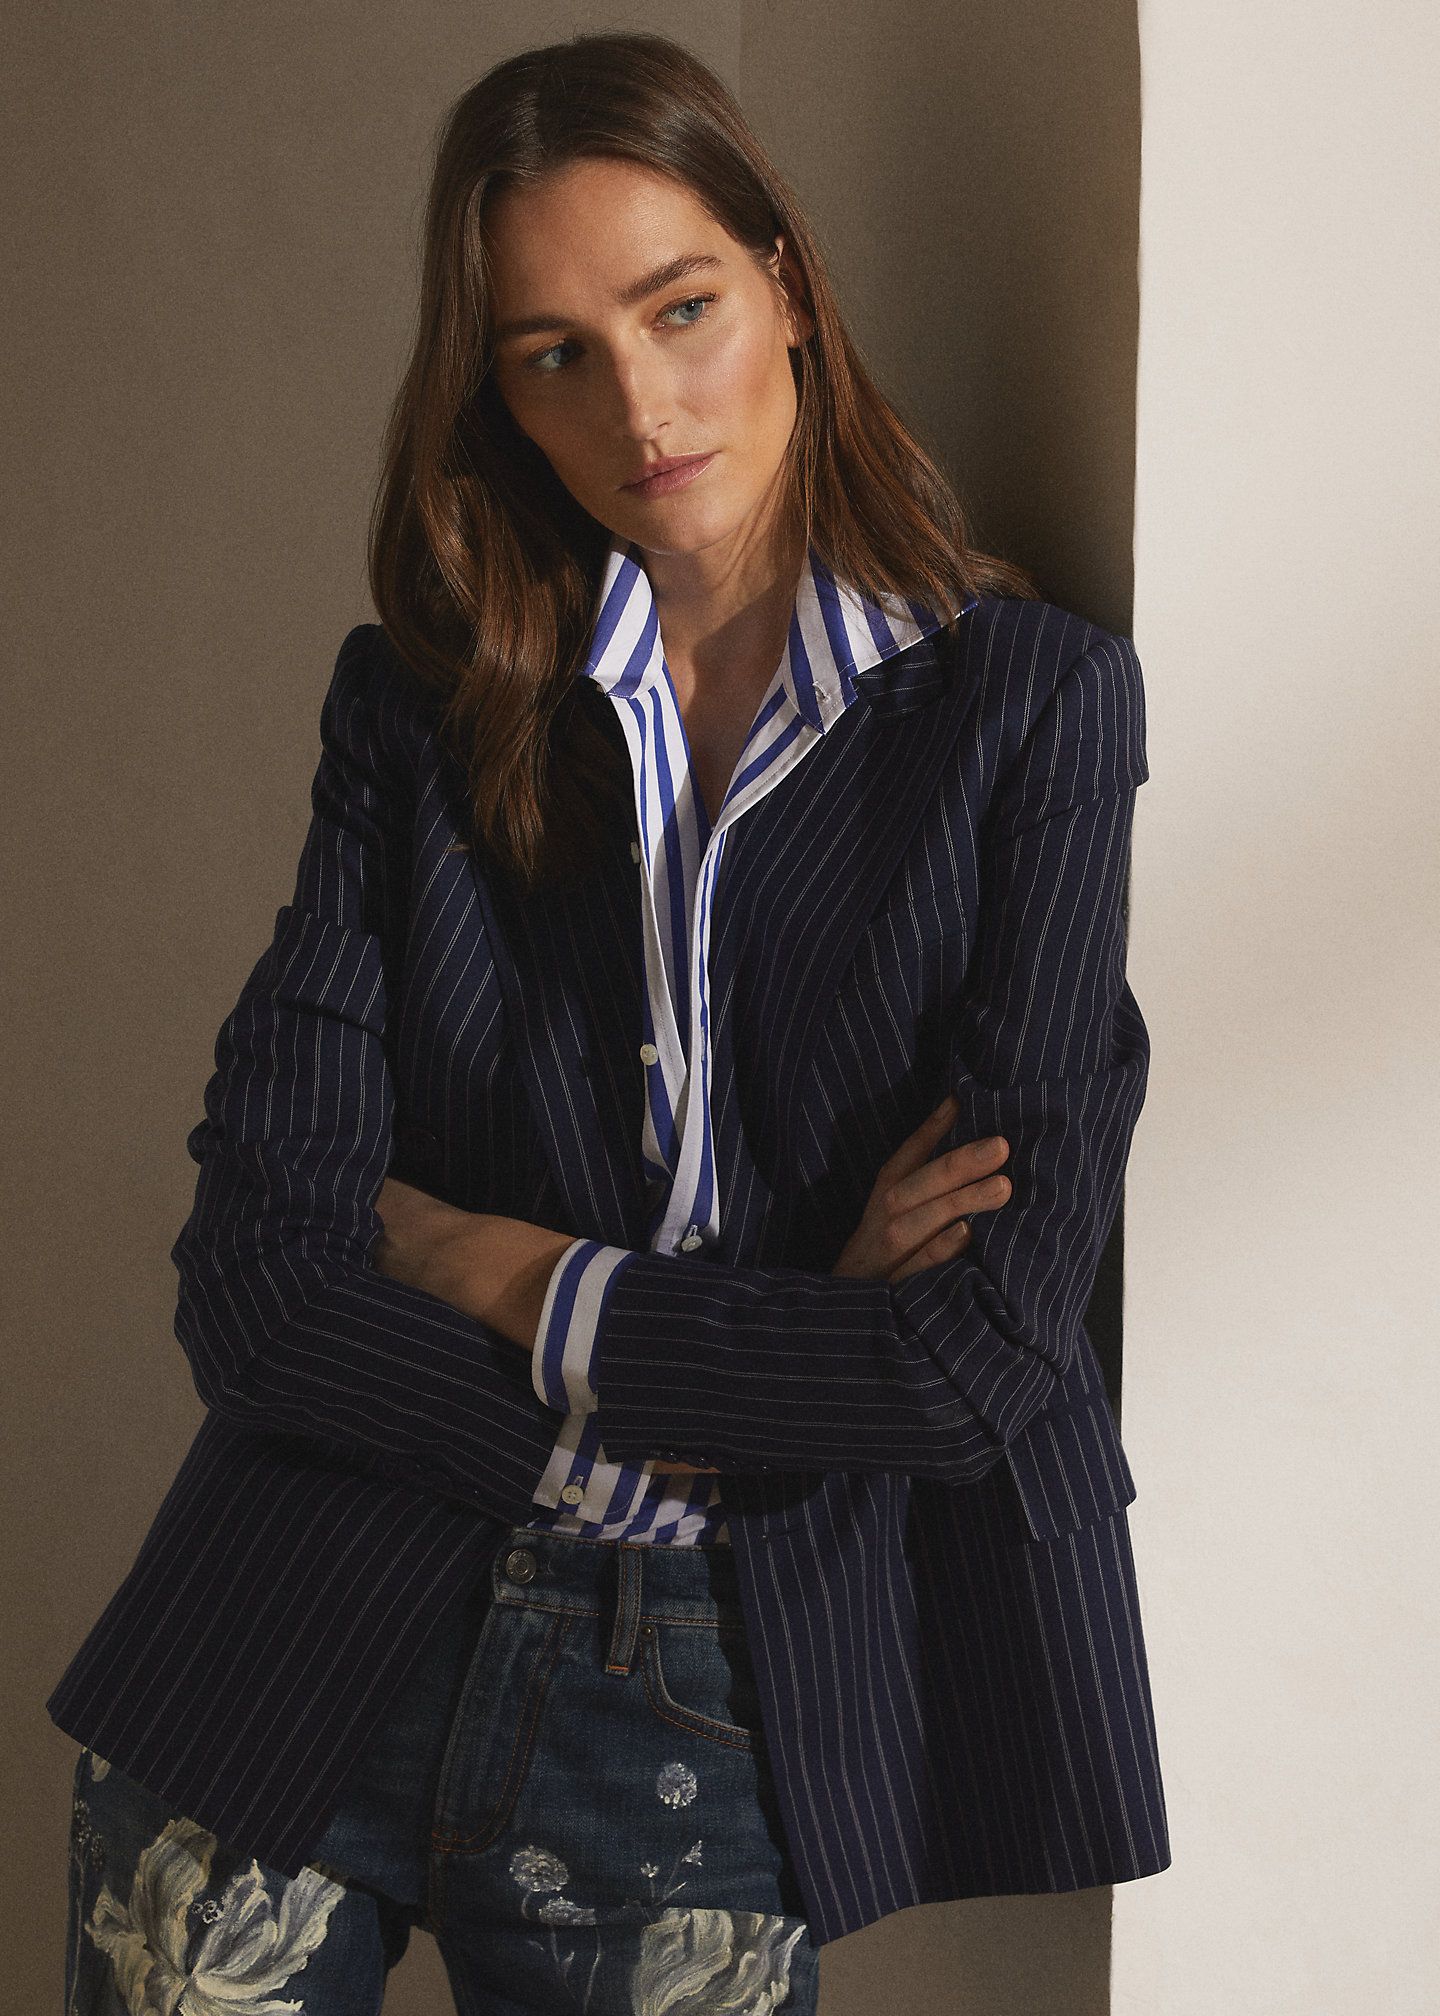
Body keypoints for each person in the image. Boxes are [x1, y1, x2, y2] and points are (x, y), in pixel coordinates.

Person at [50, 28, 1170, 2015]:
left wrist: (478, 1259)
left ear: (788, 288)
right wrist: (744, 1374)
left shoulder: (1031, 718)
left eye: (681, 309)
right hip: (293, 1629)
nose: (640, 405)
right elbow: (259, 1277)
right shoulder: (418, 713)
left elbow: (973, 1359)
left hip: (703, 1699)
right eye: (553, 352)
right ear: (496, 396)